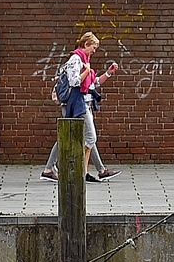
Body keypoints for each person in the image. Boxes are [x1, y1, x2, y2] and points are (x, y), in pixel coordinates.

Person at [42, 32, 121, 182]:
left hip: (83, 103)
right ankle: (75, 168)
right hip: (77, 104)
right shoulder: (76, 59)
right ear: (86, 45)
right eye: (93, 47)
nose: (94, 50)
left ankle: (99, 170)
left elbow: (94, 83)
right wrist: (86, 70)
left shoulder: (84, 60)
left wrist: (108, 74)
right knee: (88, 137)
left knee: (84, 137)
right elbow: (75, 81)